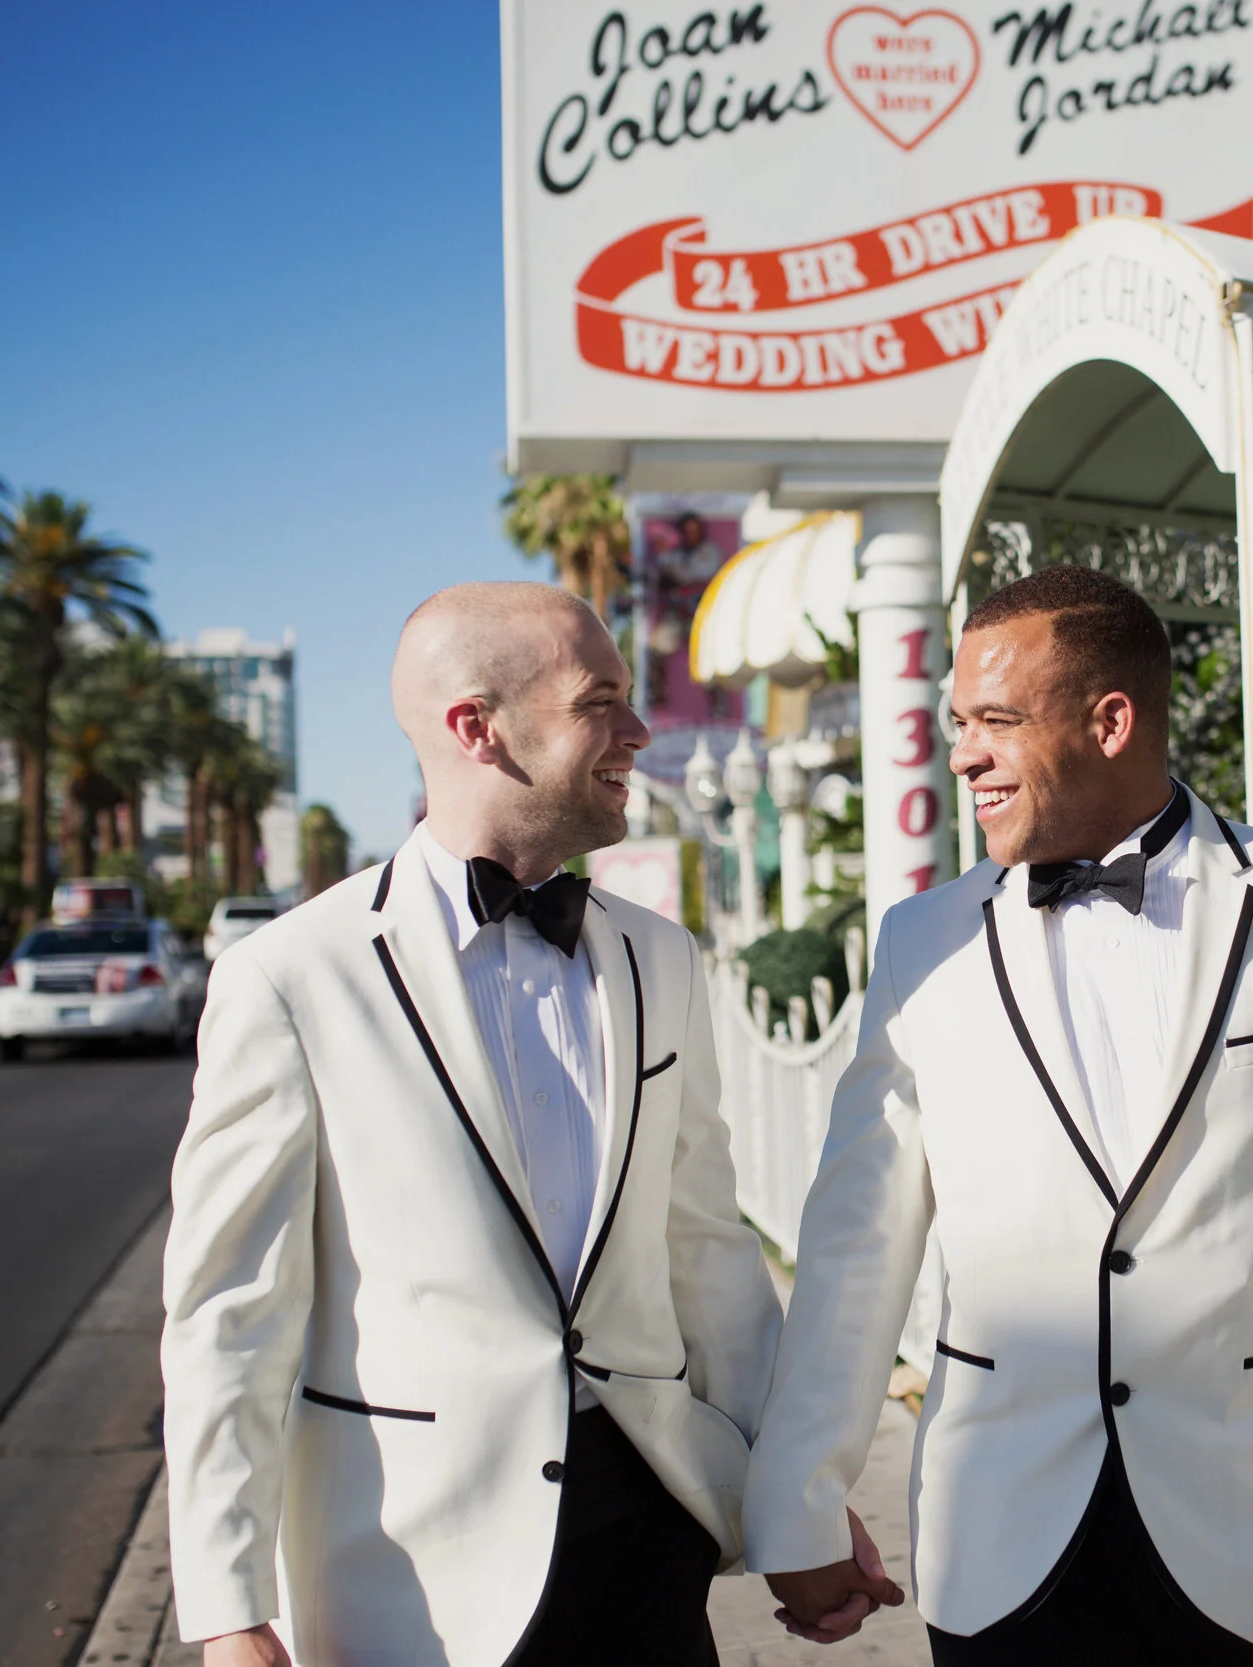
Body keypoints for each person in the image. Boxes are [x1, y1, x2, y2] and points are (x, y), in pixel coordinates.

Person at [742, 565, 1253, 1665]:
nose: (963, 754)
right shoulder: (922, 945)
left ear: (1110, 722)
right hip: (1001, 1537)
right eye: (958, 722)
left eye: (997, 721)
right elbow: (855, 1245)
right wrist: (799, 1500)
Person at [162, 582, 849, 1666]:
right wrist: (226, 1610)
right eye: (600, 701)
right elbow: (228, 1317)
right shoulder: (289, 979)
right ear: (477, 726)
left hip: (652, 1531)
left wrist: (795, 1510)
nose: (639, 729)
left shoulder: (660, 958)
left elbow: (710, 1256)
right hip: (411, 1584)